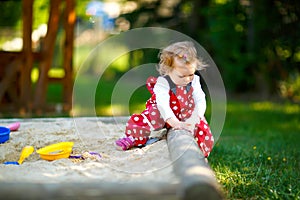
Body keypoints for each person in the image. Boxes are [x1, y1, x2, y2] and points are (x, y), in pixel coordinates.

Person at [115, 41, 214, 157]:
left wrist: (197, 115)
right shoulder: (163, 83)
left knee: (202, 127)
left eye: (190, 74)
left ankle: (199, 154)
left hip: (186, 112)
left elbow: (200, 98)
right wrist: (173, 121)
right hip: (163, 113)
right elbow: (163, 104)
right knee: (150, 115)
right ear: (168, 70)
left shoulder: (195, 81)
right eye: (182, 76)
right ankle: (133, 137)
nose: (187, 79)